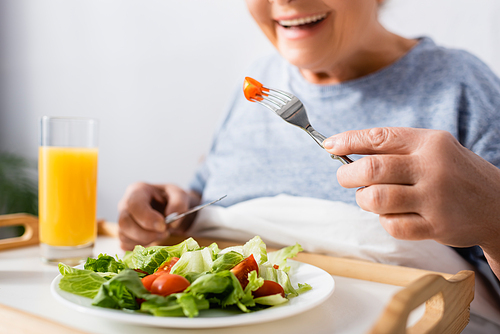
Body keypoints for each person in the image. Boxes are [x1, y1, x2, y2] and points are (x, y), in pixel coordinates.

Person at [118, 0, 500, 330]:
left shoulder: (461, 86)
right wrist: (174, 207)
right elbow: (211, 199)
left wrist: (493, 217)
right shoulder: (258, 83)